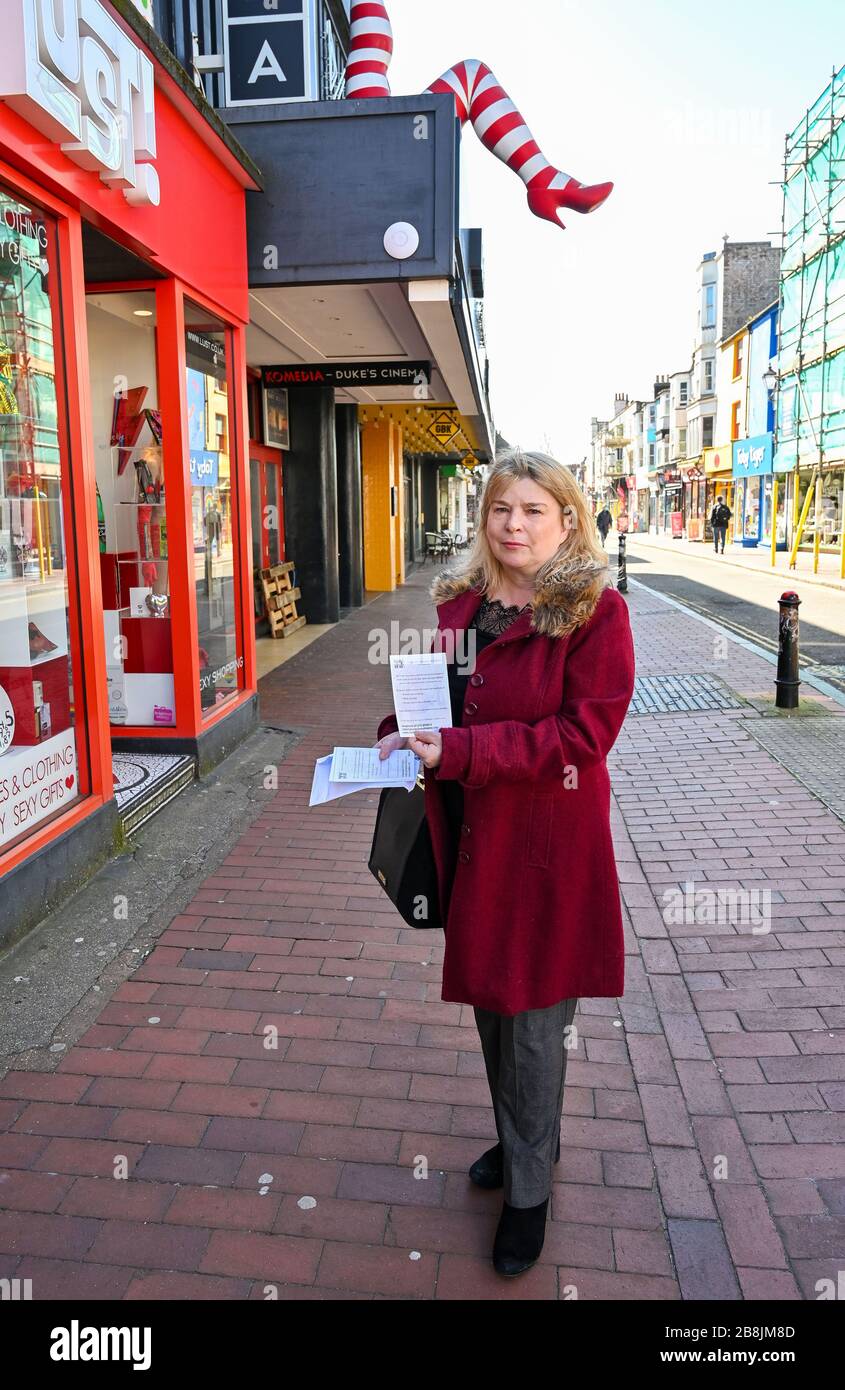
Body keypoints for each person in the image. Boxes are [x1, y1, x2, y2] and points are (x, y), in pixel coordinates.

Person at [374, 448, 636, 1277]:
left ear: (566, 520)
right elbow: (438, 701)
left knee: (529, 1020)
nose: (513, 525)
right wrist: (395, 736)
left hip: (545, 845)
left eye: (532, 510)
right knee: (492, 999)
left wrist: (456, 752)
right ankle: (525, 1138)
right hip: (470, 834)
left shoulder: (596, 613)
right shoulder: (463, 605)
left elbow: (581, 737)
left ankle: (529, 1190)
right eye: (499, 509)